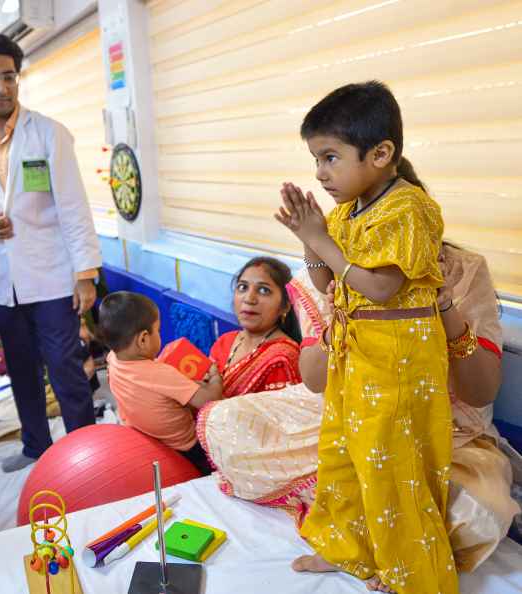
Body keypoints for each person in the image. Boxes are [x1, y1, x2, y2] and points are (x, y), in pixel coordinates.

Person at [199, 244, 521, 573]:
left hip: (446, 433)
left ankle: (372, 537)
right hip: (340, 415)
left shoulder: (460, 271)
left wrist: (446, 310)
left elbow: (481, 391)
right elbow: (314, 381)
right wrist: (340, 315)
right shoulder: (329, 270)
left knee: (479, 512)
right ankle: (369, 525)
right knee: (228, 421)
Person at [273, 81, 454, 593]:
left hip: (397, 361)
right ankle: (352, 552)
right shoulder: (349, 210)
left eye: (330, 157)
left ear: (381, 153)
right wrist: (309, 241)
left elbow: (379, 286)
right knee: (345, 455)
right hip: (356, 358)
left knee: (392, 466)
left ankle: (412, 576)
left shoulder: (407, 208)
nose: (319, 172)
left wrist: (320, 240)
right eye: (315, 159)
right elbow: (329, 282)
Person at [0, 34, 102, 473]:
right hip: (3, 281)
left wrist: (85, 273)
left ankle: (85, 454)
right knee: (21, 368)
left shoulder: (48, 134)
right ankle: (36, 445)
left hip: (53, 277)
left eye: (10, 77)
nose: (2, 86)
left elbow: (73, 205)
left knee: (67, 370)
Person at [99, 291, 222, 474]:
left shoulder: (113, 360)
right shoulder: (162, 374)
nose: (160, 335)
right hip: (185, 448)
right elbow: (209, 400)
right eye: (157, 330)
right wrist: (215, 377)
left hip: (144, 439)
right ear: (143, 339)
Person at [205, 257, 302, 398]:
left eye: (264, 290)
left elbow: (273, 419)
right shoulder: (224, 341)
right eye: (243, 287)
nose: (249, 298)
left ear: (285, 306)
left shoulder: (283, 358)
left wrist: (212, 399)